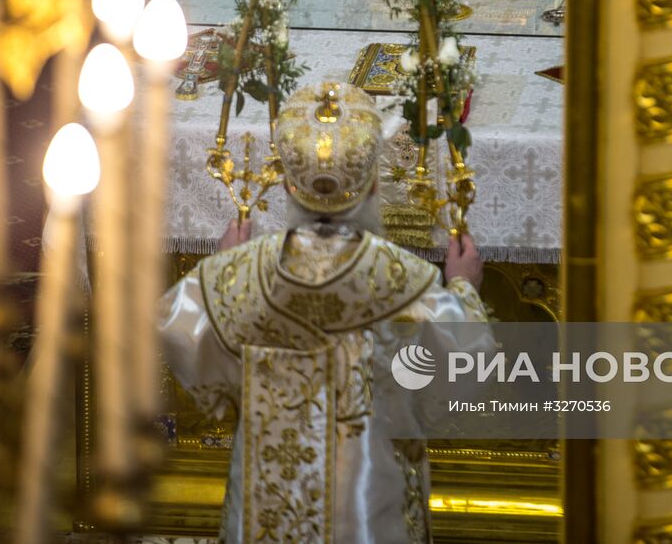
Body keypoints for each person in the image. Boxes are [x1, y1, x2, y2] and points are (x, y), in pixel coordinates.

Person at [159, 82, 488, 544]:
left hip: (268, 500)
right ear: (373, 184)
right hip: (370, 505)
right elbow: (465, 360)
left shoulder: (245, 273)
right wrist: (463, 287)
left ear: (288, 185)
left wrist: (220, 268)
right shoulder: (404, 278)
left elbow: (182, 332)